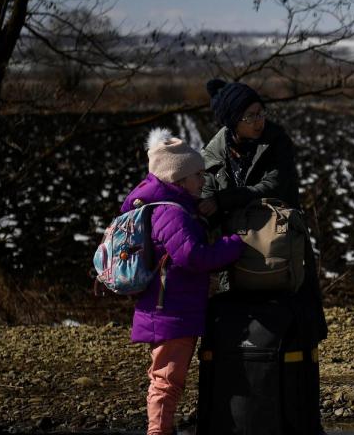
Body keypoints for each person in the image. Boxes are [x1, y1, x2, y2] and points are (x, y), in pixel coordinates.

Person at [198, 78, 329, 431]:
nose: (259, 120)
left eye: (260, 112)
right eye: (250, 116)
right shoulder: (214, 153)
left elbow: (276, 185)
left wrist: (227, 201)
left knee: (298, 331)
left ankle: (299, 421)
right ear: (232, 122)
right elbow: (204, 196)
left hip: (282, 253)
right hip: (237, 260)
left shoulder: (276, 140)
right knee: (242, 340)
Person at [125, 128, 244, 435]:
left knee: (166, 378)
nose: (204, 181)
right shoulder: (171, 213)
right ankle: (158, 432)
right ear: (179, 179)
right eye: (198, 175)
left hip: (169, 309)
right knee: (167, 380)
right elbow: (193, 257)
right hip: (171, 312)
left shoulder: (167, 207)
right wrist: (235, 245)